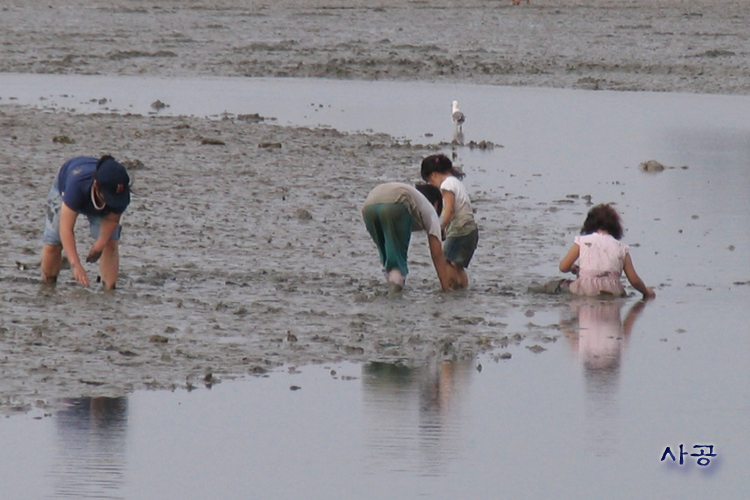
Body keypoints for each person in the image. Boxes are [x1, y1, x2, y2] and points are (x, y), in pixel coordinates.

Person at [41, 155, 131, 290]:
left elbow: (112, 220)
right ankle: (47, 288)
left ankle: (109, 291)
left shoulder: (121, 195)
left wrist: (99, 244)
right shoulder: (76, 186)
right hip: (68, 183)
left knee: (110, 243)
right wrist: (75, 264)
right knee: (54, 242)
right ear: (96, 185)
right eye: (109, 197)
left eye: (115, 199)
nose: (112, 202)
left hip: (98, 193)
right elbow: (65, 229)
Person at [362, 182, 457, 292]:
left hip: (368, 207)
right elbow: (437, 254)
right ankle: (394, 299)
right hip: (396, 204)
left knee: (386, 256)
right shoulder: (431, 211)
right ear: (436, 204)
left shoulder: (415, 199)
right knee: (398, 260)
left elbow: (363, 210)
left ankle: (388, 289)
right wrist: (445, 288)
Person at [555, 204, 655, 299]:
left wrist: (573, 268)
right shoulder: (622, 248)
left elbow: (563, 267)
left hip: (586, 288)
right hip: (613, 290)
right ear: (616, 227)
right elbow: (634, 280)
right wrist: (646, 292)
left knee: (555, 286)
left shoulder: (582, 241)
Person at [420, 154, 478, 289]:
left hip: (460, 229)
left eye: (429, 181)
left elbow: (449, 209)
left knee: (445, 259)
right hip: (470, 229)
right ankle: (462, 289)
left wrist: (441, 227)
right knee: (457, 265)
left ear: (433, 175)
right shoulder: (456, 182)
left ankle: (452, 287)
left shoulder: (446, 185)